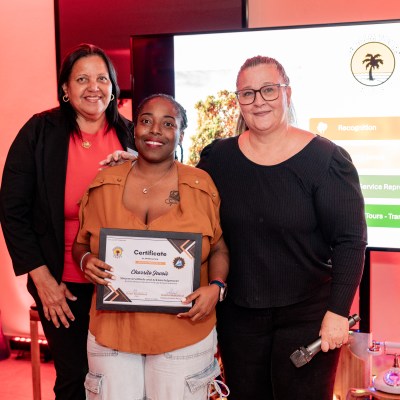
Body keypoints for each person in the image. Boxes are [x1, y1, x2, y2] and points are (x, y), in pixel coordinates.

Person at [196, 56, 367, 400]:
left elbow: (350, 241)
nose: (259, 101)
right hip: (239, 318)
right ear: (238, 102)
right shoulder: (218, 159)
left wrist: (337, 313)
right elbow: (184, 197)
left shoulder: (326, 160)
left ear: (288, 93)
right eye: (248, 93)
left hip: (308, 318)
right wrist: (137, 167)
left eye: (269, 90)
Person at [72, 93, 230, 400]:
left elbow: (220, 247)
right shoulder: (104, 184)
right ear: (135, 130)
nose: (155, 130)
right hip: (113, 333)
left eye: (167, 123)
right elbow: (80, 245)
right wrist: (86, 260)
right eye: (146, 121)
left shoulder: (201, 186)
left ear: (181, 133)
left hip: (184, 332)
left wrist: (216, 287)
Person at [0, 43, 134, 400]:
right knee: (75, 377)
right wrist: (43, 280)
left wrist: (139, 166)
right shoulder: (40, 132)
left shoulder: (131, 135)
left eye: (102, 78)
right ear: (65, 89)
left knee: (123, 379)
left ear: (113, 86)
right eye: (82, 79)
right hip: (62, 285)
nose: (94, 87)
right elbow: (12, 209)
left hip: (123, 281)